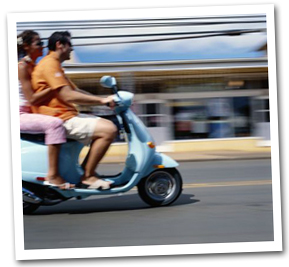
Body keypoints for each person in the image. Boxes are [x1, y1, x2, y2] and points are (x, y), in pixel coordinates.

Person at [31, 31, 117, 190]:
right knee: (109, 130)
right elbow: (68, 96)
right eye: (70, 45)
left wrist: (105, 100)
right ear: (60, 45)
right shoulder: (49, 64)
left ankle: (86, 172)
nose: (72, 49)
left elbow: (76, 91)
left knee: (105, 122)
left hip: (66, 114)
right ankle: (88, 176)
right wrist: (100, 100)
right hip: (60, 117)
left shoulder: (55, 66)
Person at [18, 30, 74, 190]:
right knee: (55, 124)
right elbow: (32, 99)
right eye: (39, 43)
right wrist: (54, 85)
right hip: (20, 114)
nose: (43, 46)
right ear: (27, 47)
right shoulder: (22, 66)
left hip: (31, 112)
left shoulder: (34, 66)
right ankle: (53, 175)